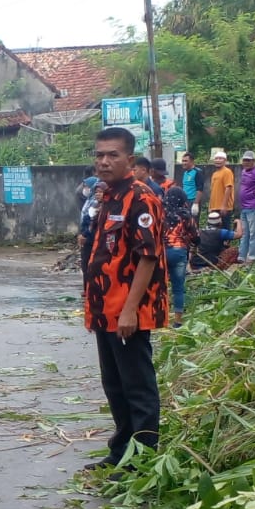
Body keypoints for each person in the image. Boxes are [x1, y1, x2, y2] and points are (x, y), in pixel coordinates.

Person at [83, 127, 167, 470]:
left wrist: (130, 310)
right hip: (106, 309)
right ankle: (120, 452)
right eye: (99, 155)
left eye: (112, 155)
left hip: (128, 311)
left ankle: (142, 460)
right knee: (114, 386)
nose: (104, 162)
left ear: (129, 159)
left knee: (137, 387)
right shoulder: (109, 196)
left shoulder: (141, 198)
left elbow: (148, 256)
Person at [163, 186, 194, 328]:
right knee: (178, 287)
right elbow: (196, 236)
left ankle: (160, 317)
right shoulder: (186, 215)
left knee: (160, 286)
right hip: (179, 251)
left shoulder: (160, 213)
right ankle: (177, 321)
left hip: (161, 252)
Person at [208, 148, 235, 230]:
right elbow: (212, 191)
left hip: (223, 207)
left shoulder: (227, 172)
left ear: (225, 161)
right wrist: (210, 206)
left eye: (220, 158)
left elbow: (228, 188)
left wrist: (224, 206)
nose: (218, 160)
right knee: (215, 230)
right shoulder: (214, 174)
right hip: (214, 207)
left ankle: (226, 243)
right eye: (216, 158)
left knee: (225, 230)